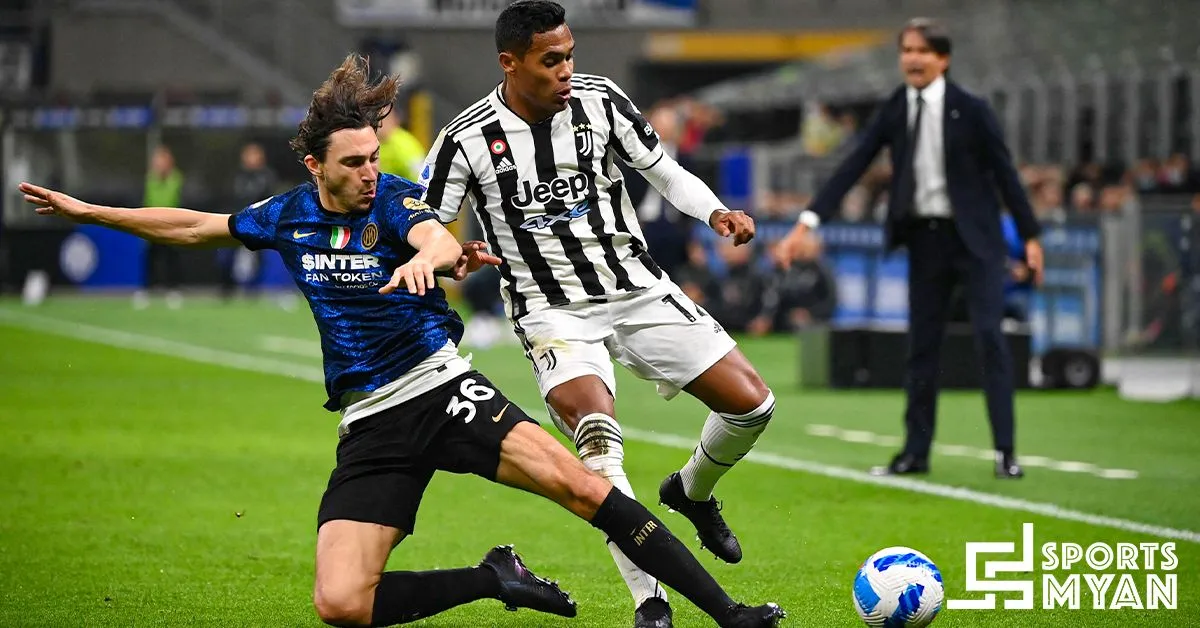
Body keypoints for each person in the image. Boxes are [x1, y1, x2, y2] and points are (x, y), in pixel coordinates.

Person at [19, 54, 784, 628]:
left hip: (447, 392)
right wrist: (90, 211)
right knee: (341, 604)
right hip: (371, 424)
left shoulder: (393, 199)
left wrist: (430, 257)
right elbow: (194, 226)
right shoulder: (289, 216)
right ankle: (494, 577)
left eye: (373, 158)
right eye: (353, 163)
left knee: (589, 487)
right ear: (315, 166)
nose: (369, 172)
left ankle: (729, 614)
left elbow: (435, 236)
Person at [419, 3, 782, 626]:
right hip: (551, 312)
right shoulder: (466, 138)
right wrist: (452, 256)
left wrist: (716, 212)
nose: (566, 70)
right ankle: (650, 602)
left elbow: (663, 172)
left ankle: (690, 491)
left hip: (637, 287)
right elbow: (428, 223)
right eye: (550, 60)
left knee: (753, 406)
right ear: (510, 63)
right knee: (599, 444)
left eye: (569, 56)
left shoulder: (602, 100)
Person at [777, 18, 1043, 479]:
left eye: (922, 50)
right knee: (922, 346)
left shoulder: (972, 110)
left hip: (976, 242)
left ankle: (1006, 452)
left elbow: (1006, 174)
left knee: (990, 340)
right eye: (906, 50)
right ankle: (915, 453)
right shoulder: (896, 108)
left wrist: (1031, 236)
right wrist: (807, 222)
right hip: (925, 241)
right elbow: (853, 165)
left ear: (943, 58)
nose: (912, 59)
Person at [220, 141, 278, 300]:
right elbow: (231, 197)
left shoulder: (267, 176)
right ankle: (226, 289)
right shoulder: (236, 176)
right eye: (249, 154)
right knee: (227, 254)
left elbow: (270, 199)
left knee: (258, 257)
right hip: (236, 219)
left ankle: (253, 290)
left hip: (258, 223)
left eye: (255, 154)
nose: (252, 158)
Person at [137, 144, 185, 309]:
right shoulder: (150, 179)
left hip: (171, 225)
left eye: (162, 161)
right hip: (152, 225)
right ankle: (146, 290)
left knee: (171, 258)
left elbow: (174, 200)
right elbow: (148, 200)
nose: (160, 165)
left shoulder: (176, 179)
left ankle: (173, 290)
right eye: (157, 161)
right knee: (150, 258)